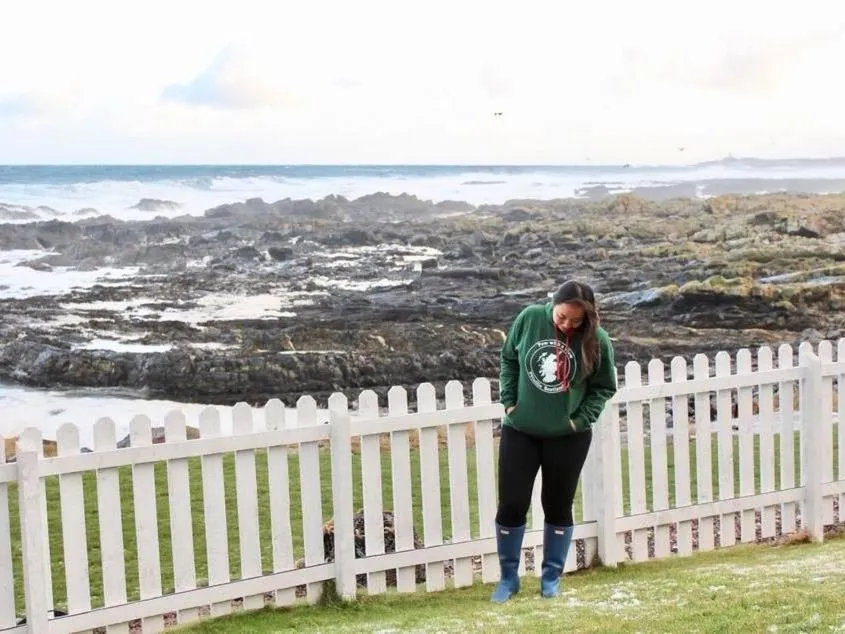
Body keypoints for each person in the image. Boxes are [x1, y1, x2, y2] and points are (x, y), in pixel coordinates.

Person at [491, 280, 617, 602]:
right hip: (521, 430)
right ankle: (508, 579)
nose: (567, 324)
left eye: (576, 321)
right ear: (553, 305)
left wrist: (579, 419)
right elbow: (508, 359)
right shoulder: (530, 318)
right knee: (512, 504)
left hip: (567, 437)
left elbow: (603, 387)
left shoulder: (597, 340)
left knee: (558, 505)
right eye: (562, 317)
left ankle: (551, 579)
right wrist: (509, 402)